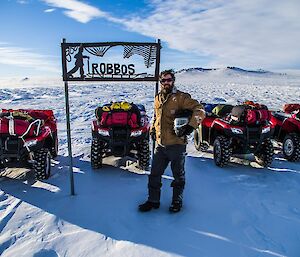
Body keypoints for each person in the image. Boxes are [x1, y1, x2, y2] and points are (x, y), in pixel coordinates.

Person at [139, 69, 205, 213]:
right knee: (154, 175)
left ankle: (176, 202)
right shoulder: (157, 98)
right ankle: (153, 201)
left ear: (173, 81)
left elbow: (200, 110)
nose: (166, 83)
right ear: (160, 82)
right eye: (163, 80)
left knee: (178, 176)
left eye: (169, 80)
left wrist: (190, 127)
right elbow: (157, 117)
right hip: (160, 145)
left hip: (176, 145)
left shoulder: (181, 97)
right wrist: (152, 131)